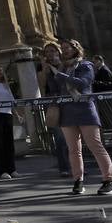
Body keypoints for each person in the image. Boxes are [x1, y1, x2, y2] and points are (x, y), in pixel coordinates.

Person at [49, 39, 112, 195]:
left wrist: (60, 75)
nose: (64, 50)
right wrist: (50, 73)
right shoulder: (61, 68)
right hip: (67, 112)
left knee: (95, 145)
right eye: (62, 48)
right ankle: (78, 180)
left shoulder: (85, 65)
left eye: (67, 48)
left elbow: (83, 83)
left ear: (76, 49)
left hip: (85, 110)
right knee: (73, 150)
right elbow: (54, 89)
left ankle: (109, 179)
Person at [39, 42, 72, 177]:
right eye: (47, 52)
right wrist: (44, 71)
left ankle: (77, 166)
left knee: (73, 137)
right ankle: (64, 167)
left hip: (68, 102)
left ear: (58, 52)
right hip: (54, 103)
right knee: (59, 138)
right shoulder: (44, 68)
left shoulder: (66, 65)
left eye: (52, 51)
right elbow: (41, 86)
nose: (50, 54)